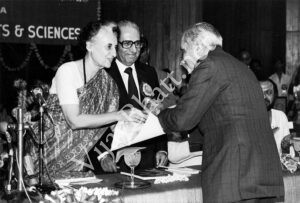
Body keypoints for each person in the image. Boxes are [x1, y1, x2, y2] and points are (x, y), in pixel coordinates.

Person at [0, 21, 146, 180]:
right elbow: (74, 120)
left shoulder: (109, 85)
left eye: (115, 47)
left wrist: (142, 121)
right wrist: (120, 115)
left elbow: (112, 128)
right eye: (108, 47)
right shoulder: (68, 71)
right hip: (42, 159)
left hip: (75, 166)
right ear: (89, 46)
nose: (114, 53)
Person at [158, 22, 284, 202]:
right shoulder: (241, 69)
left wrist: (159, 115)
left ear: (198, 47)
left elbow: (183, 120)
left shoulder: (209, 65)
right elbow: (224, 118)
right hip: (264, 177)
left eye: (184, 51)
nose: (183, 58)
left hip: (235, 177)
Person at [94, 20, 168, 173]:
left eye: (138, 43)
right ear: (116, 44)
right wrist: (101, 155)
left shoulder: (149, 72)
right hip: (112, 159)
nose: (134, 50)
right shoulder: (102, 73)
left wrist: (162, 149)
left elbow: (156, 114)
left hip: (148, 159)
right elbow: (93, 118)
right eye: (127, 43)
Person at [260, 79, 291, 156]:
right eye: (260, 93)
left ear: (275, 95)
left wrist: (285, 147)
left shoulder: (281, 116)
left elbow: (286, 154)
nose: (264, 97)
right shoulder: (248, 118)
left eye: (269, 92)